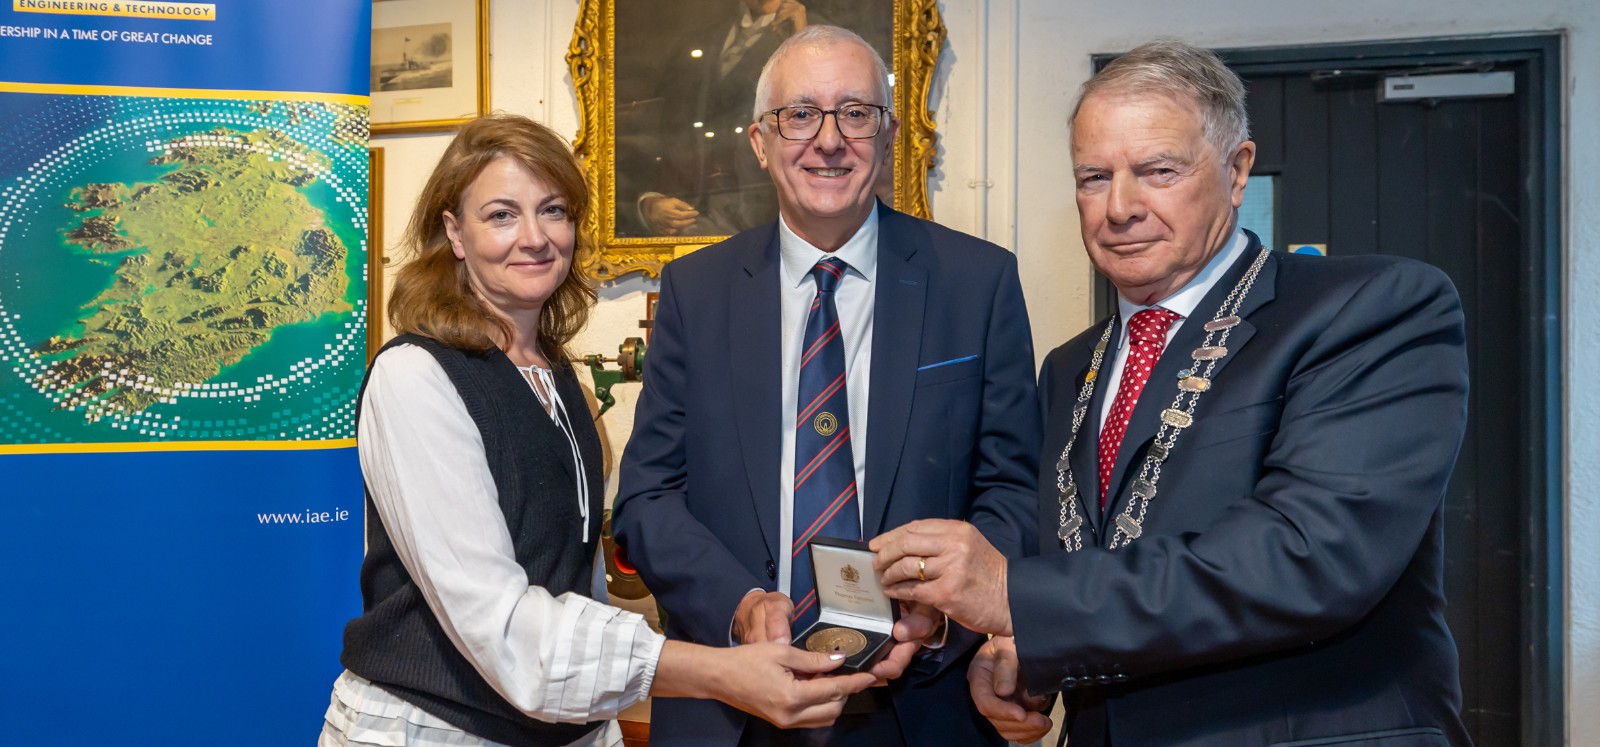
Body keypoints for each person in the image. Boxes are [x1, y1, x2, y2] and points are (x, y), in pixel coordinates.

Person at [871, 40, 1473, 746]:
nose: (1120, 206)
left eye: (1158, 170)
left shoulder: (1371, 308)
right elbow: (1085, 569)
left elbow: (1308, 553)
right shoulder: (1071, 367)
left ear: (1238, 170)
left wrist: (1018, 599)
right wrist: (1026, 655)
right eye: (1094, 176)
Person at [319, 114, 885, 747]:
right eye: (501, 215)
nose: (533, 237)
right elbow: (499, 624)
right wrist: (721, 674)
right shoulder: (414, 377)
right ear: (454, 231)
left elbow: (575, 587)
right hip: (432, 730)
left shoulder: (558, 377)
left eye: (553, 210)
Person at [612, 26, 1041, 747]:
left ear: (889, 133)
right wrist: (742, 605)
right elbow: (648, 496)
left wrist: (939, 613)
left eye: (856, 112)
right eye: (800, 114)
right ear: (759, 140)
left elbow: (1016, 491)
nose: (829, 139)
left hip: (920, 705)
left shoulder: (978, 282)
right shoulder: (696, 290)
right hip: (732, 705)